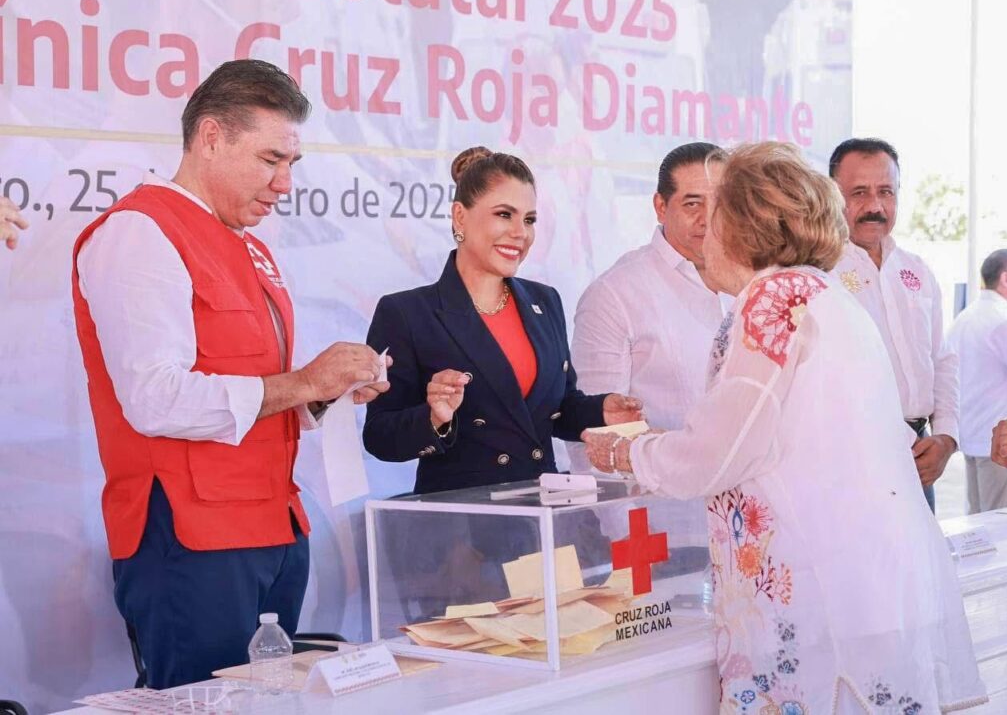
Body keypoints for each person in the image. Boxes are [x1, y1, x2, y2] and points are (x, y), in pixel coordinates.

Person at [583, 142, 985, 712]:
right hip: (863, 584)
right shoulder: (822, 293)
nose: (704, 235)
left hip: (821, 595)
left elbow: (720, 450)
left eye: (715, 214)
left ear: (743, 224)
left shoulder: (773, 299)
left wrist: (626, 454)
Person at [72, 59, 389, 688]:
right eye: (271, 159)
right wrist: (303, 382)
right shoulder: (140, 231)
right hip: (192, 539)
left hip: (273, 527)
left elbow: (256, 391)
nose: (284, 183)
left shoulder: (251, 246)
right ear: (211, 137)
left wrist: (323, 395)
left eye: (292, 163)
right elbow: (155, 399)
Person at [363, 146, 642, 495]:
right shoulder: (406, 313)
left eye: (529, 220)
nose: (520, 232)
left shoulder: (545, 301)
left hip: (541, 508)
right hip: (461, 519)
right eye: (504, 214)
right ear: (460, 217)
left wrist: (602, 411)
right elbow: (380, 436)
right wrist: (435, 417)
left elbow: (557, 410)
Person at [570, 142, 728, 467]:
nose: (708, 218)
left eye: (720, 203)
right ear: (660, 206)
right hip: (664, 498)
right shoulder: (614, 295)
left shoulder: (753, 282)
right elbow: (595, 437)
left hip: (751, 495)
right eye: (693, 203)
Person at [829, 137, 958, 513]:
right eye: (859, 193)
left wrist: (946, 438)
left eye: (886, 191)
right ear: (832, 195)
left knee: (923, 553)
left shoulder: (916, 271)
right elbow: (832, 380)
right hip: (851, 457)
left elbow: (942, 359)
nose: (875, 206)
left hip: (920, 459)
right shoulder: (820, 273)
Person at [949, 249, 1007, 511]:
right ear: (1006, 278)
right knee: (1001, 523)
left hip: (973, 436)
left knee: (979, 520)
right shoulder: (1004, 323)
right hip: (1002, 446)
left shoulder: (966, 317)